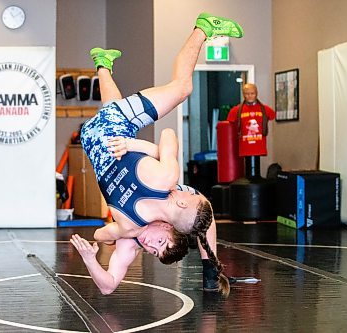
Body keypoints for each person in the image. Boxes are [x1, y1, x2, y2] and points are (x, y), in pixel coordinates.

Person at [73, 12, 244, 296]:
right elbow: (104, 253)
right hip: (99, 141)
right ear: (166, 226)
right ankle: (102, 63)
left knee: (181, 88)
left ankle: (203, 28)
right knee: (117, 106)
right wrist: (133, 146)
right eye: (160, 245)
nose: (151, 247)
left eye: (154, 250)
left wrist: (93, 256)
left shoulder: (145, 211)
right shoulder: (151, 205)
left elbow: (167, 136)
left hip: (110, 132)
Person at [70, 221, 186, 295]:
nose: (149, 244)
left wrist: (90, 260)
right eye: (160, 241)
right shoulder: (159, 205)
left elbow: (108, 288)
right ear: (166, 226)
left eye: (155, 252)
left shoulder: (128, 244)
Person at [227, 83, 275, 157]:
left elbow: (272, 115)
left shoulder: (266, 110)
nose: (250, 96)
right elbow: (230, 123)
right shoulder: (235, 111)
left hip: (259, 147)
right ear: (243, 95)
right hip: (244, 147)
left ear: (256, 94)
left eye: (252, 93)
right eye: (247, 94)